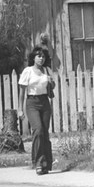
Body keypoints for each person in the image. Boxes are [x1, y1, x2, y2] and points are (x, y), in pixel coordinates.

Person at [17, 46, 55, 175]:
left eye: (43, 56)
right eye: (39, 56)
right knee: (37, 130)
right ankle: (38, 162)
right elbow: (22, 92)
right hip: (32, 103)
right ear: (33, 58)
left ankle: (46, 164)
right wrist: (20, 110)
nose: (41, 59)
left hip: (44, 102)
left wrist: (51, 81)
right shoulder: (28, 71)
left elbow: (52, 88)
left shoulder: (47, 70)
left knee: (44, 132)